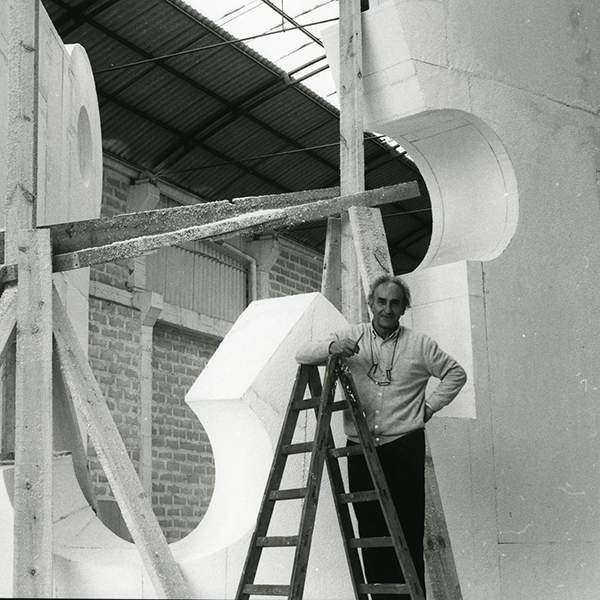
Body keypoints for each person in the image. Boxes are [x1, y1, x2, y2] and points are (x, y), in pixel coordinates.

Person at [295, 274, 467, 599]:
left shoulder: (421, 345)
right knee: (370, 529)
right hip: (360, 448)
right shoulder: (351, 335)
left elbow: (456, 373)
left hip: (403, 446)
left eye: (395, 303)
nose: (387, 309)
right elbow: (302, 352)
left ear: (404, 308)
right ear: (371, 303)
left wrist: (428, 408)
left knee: (406, 528)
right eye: (381, 302)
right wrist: (333, 347)